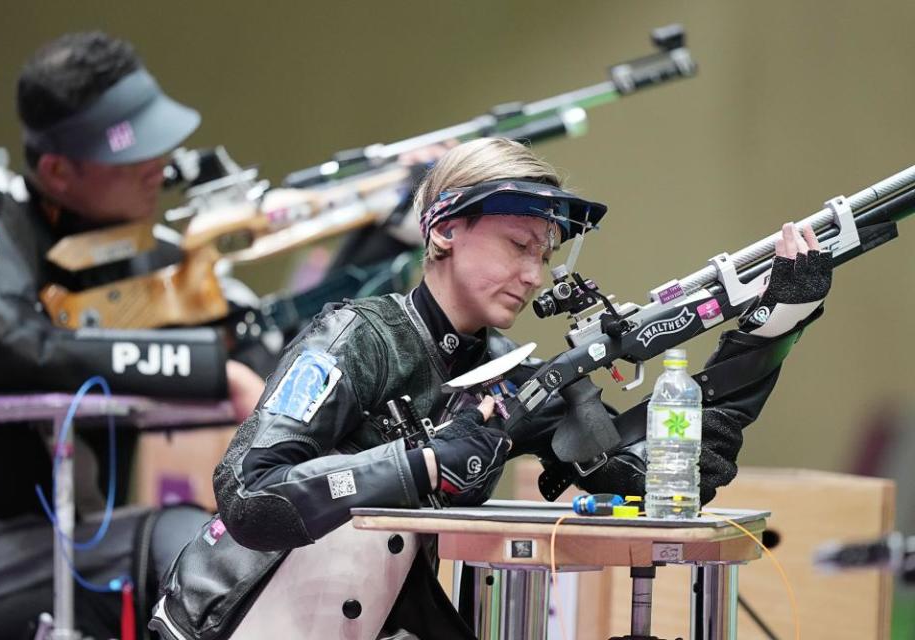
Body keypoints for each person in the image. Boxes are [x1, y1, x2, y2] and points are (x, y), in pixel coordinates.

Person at [152, 137, 832, 640]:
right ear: (445, 230)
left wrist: (769, 331)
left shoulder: (509, 372)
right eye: (517, 244)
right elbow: (249, 495)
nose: (535, 273)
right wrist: (420, 462)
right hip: (229, 623)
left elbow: (660, 477)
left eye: (544, 252)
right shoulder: (353, 337)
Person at [0, 32, 268, 639]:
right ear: (57, 171)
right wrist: (209, 369)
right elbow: (5, 338)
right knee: (187, 542)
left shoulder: (135, 247)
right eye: (134, 153)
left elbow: (259, 341)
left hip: (75, 545)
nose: (158, 166)